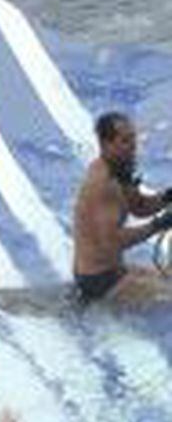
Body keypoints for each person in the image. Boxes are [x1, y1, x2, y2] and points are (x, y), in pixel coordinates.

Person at [72, 111, 172, 304]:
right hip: (100, 280)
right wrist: (158, 225)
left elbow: (139, 206)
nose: (134, 147)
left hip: (115, 268)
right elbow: (113, 242)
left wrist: (168, 196)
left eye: (134, 139)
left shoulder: (119, 169)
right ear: (105, 144)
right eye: (125, 141)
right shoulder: (103, 184)